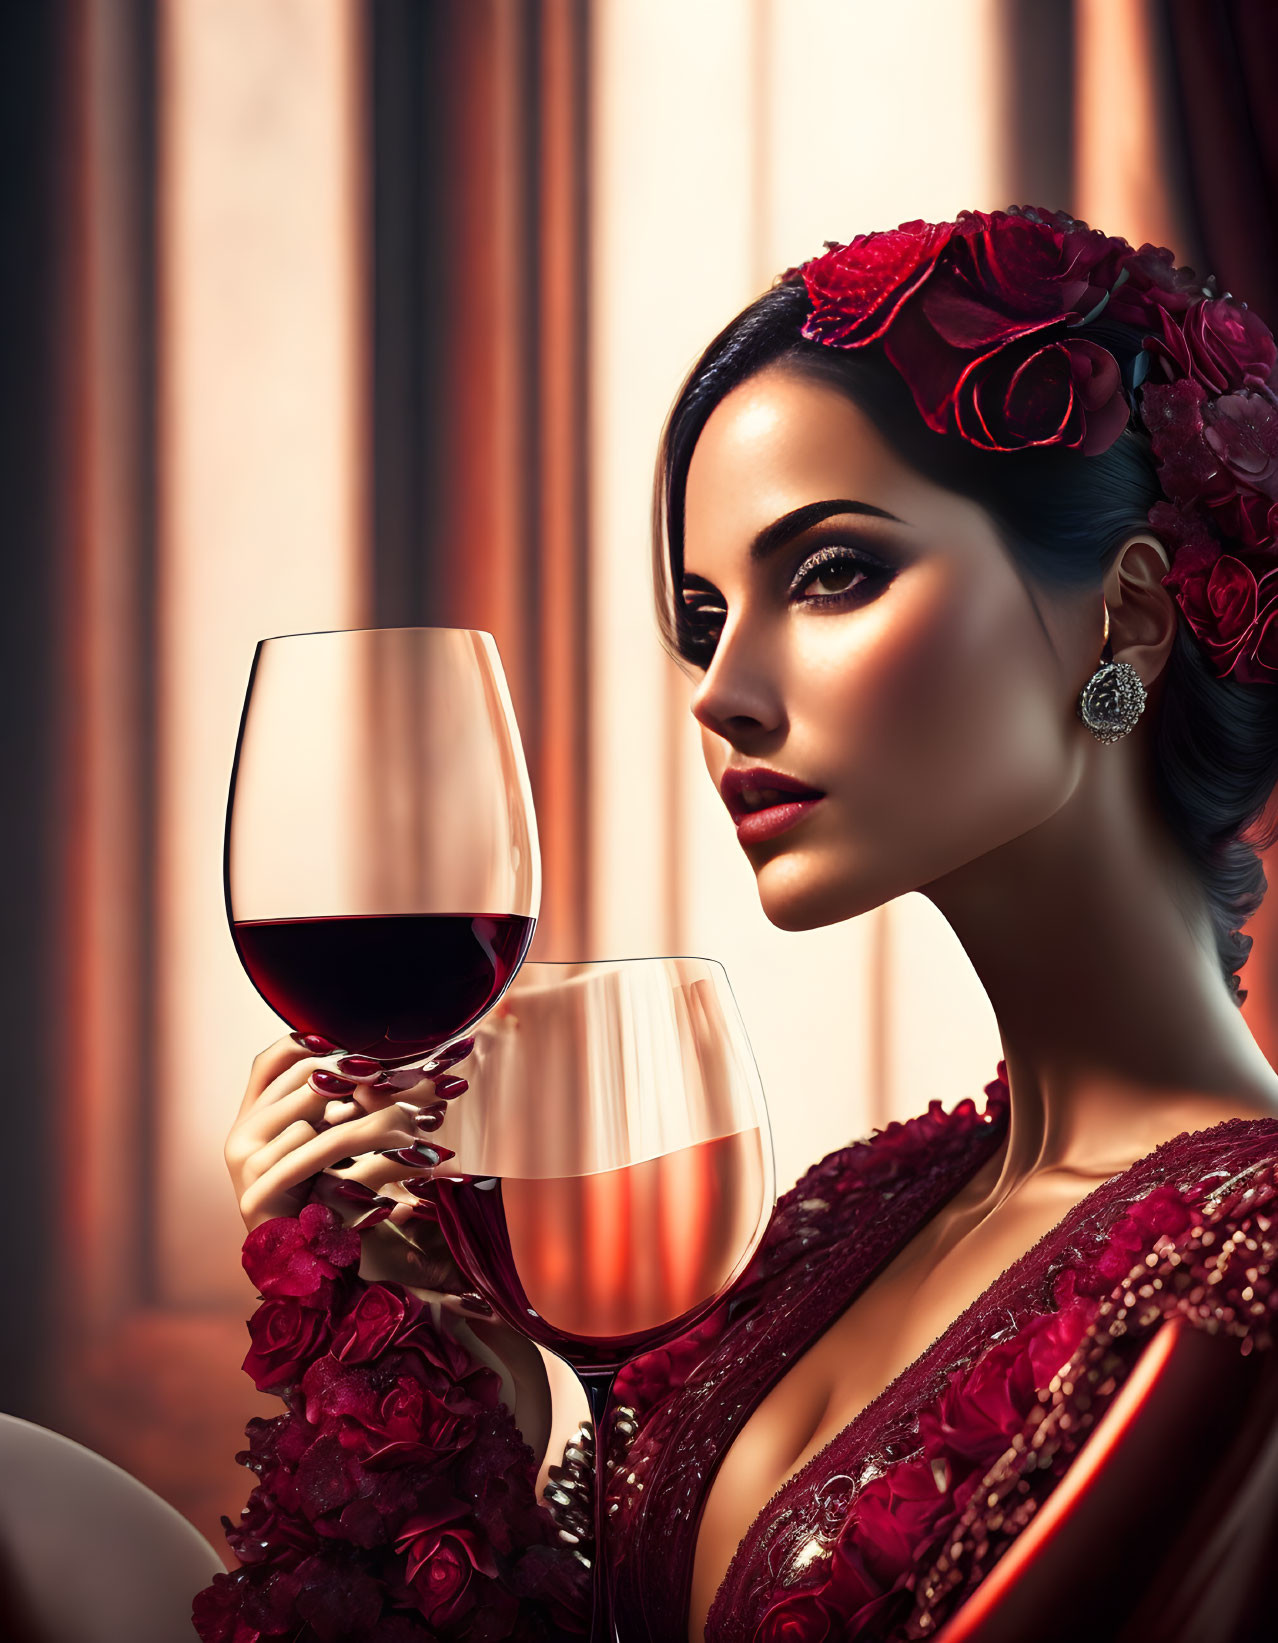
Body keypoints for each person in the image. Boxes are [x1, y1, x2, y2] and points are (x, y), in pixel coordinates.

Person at [195, 208, 1278, 1643]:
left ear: (1128, 621)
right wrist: (458, 1374)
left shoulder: (1242, 1256)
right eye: (703, 616)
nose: (718, 691)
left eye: (831, 572)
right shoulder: (861, 1208)